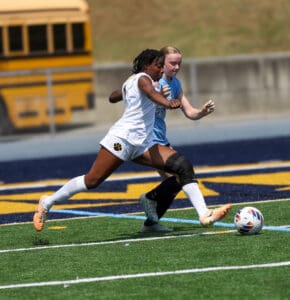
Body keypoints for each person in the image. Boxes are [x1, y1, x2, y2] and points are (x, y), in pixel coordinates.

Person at [109, 46, 232, 233]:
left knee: (175, 181)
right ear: (160, 63)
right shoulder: (146, 81)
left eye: (179, 63)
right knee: (180, 175)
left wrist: (202, 112)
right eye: (172, 63)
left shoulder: (175, 84)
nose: (176, 67)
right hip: (146, 141)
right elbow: (118, 95)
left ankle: (151, 221)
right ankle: (201, 213)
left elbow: (189, 112)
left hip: (161, 140)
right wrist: (151, 94)